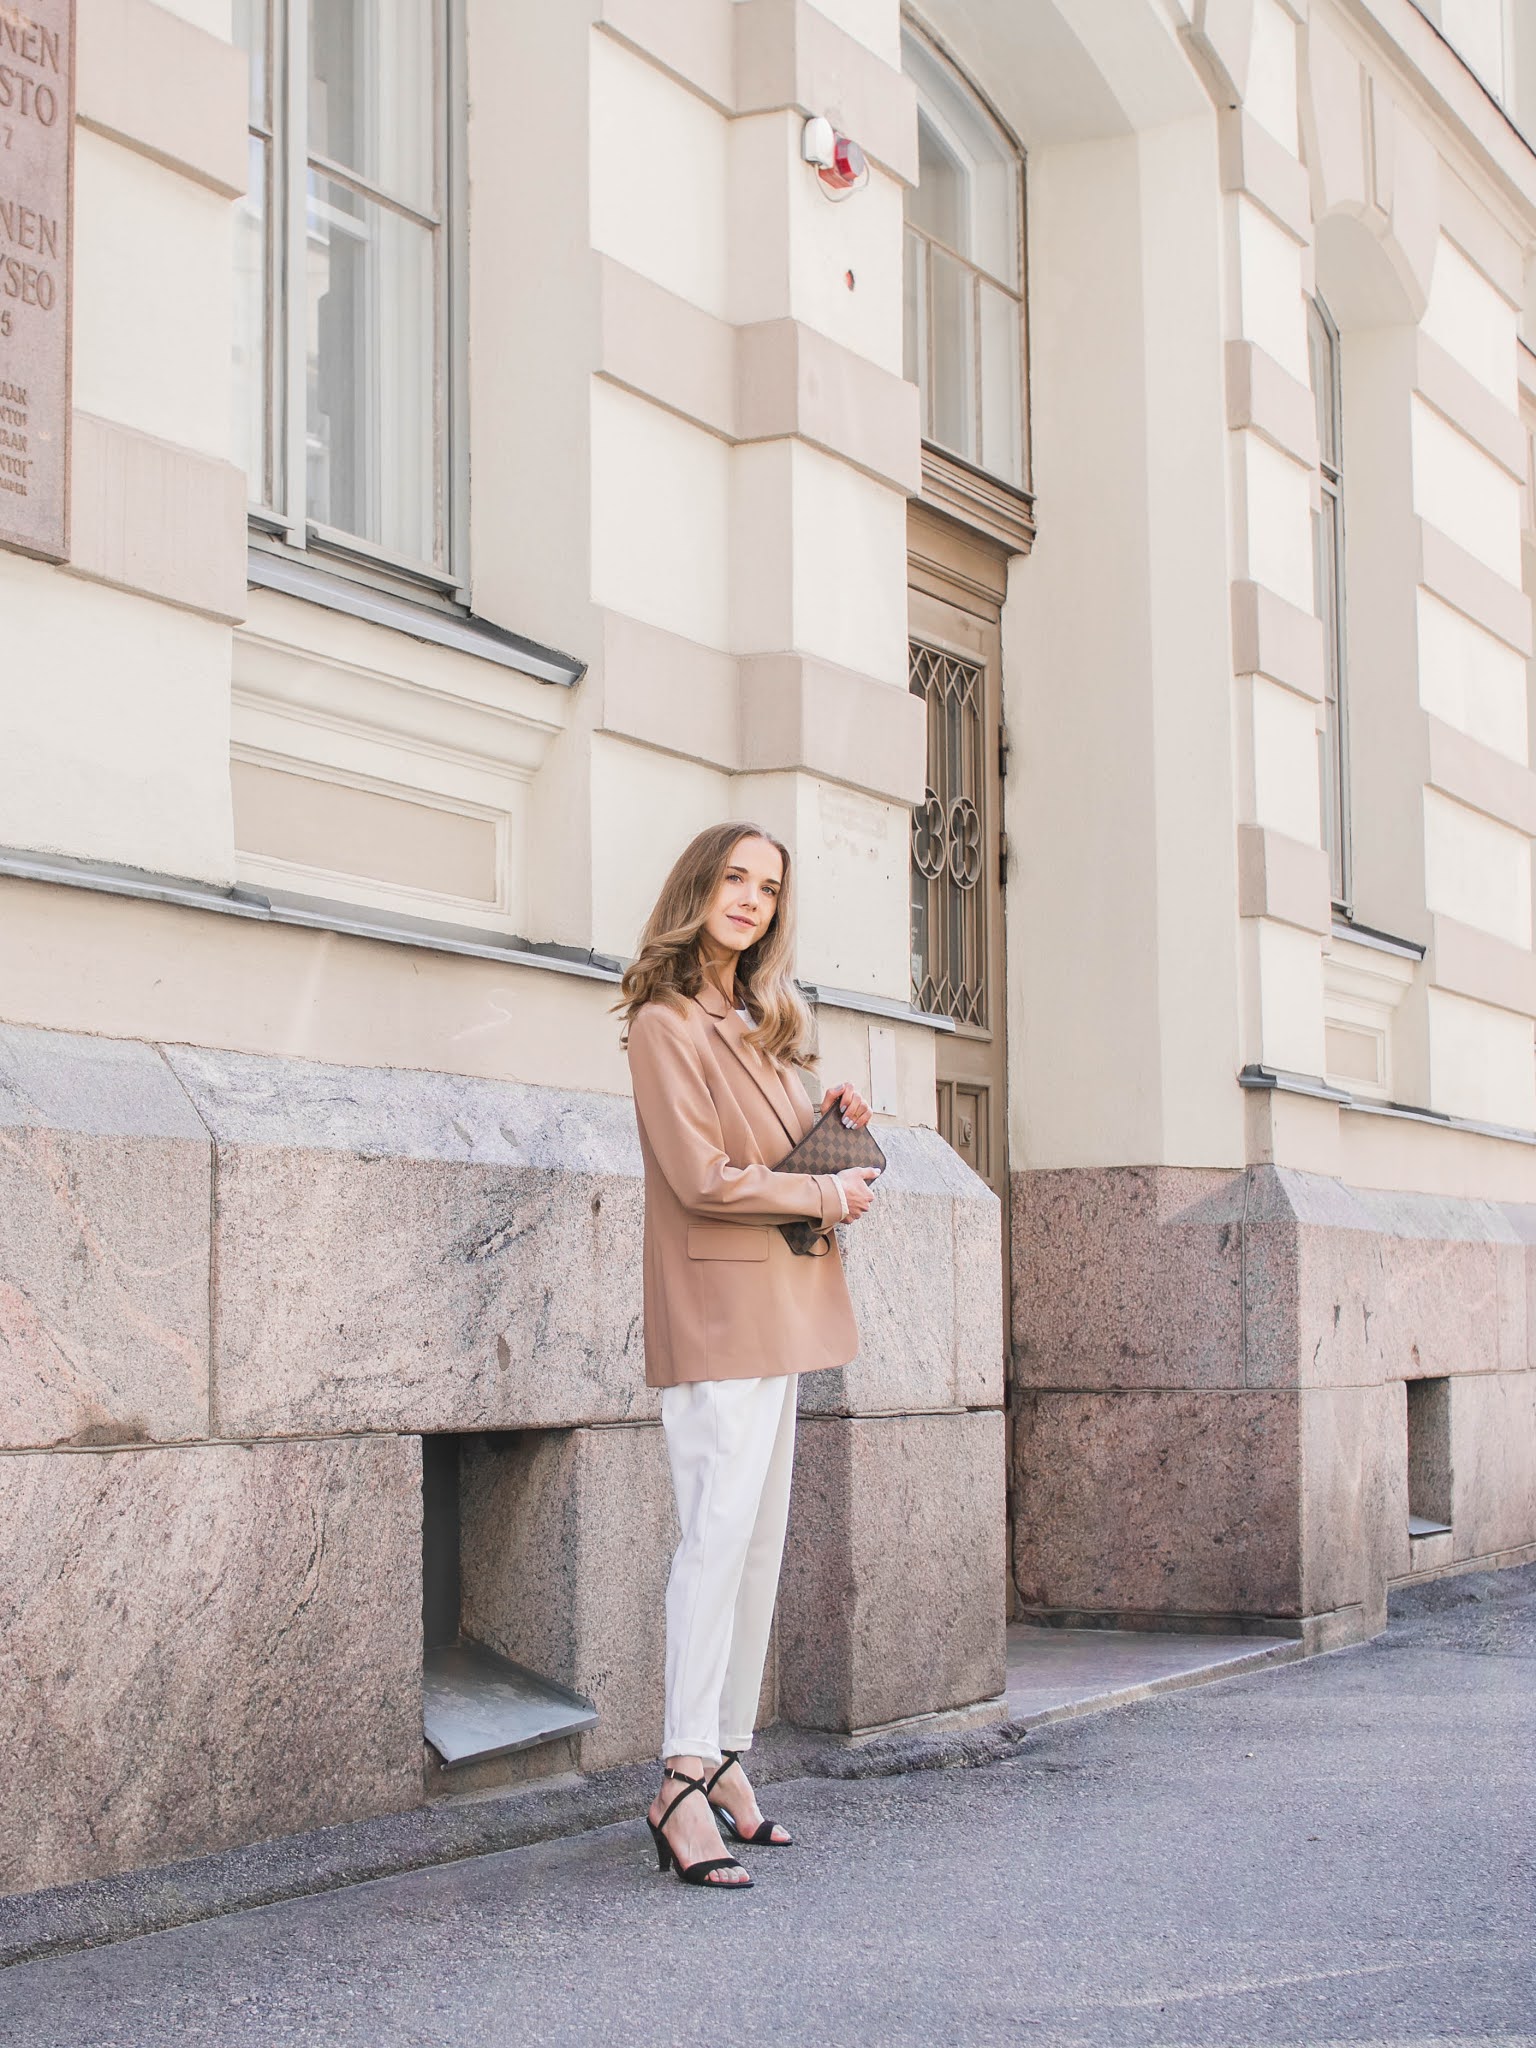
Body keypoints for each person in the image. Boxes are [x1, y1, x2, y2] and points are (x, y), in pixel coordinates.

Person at [618, 821, 880, 1889]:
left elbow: (766, 1154)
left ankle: (726, 1751)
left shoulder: (754, 1018)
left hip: (783, 1303)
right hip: (719, 1311)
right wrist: (822, 1189)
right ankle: (679, 1773)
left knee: (758, 1541)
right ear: (699, 886)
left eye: (769, 887)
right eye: (736, 878)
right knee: (713, 1537)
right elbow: (701, 1175)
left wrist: (832, 1123)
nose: (753, 900)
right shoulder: (663, 1021)